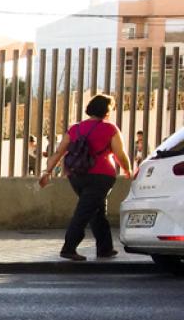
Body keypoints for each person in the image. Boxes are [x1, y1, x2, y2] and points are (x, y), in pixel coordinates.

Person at [40, 93, 133, 261]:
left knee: (96, 209)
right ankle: (68, 248)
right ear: (106, 111)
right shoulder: (110, 128)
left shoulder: (75, 128)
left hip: (76, 175)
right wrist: (128, 170)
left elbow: (59, 152)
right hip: (101, 176)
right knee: (84, 211)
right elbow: (120, 153)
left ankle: (105, 248)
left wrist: (47, 172)